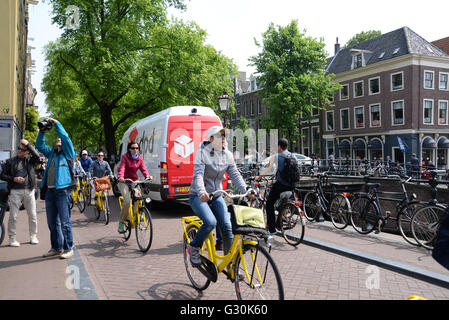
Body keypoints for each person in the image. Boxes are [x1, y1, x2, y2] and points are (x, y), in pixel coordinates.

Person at [188, 126, 253, 266]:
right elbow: (198, 175)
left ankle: (229, 265)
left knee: (227, 225)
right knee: (211, 222)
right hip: (198, 195)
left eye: (224, 135)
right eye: (219, 135)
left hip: (216, 194)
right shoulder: (202, 154)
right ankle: (193, 247)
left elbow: (234, 173)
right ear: (211, 139)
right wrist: (201, 192)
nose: (223, 138)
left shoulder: (227, 154)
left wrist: (246, 189)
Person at [36, 118, 76, 259]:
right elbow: (39, 145)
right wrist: (42, 131)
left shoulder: (68, 154)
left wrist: (57, 123)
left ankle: (68, 248)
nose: (59, 139)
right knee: (52, 223)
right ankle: (56, 247)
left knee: (65, 222)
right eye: (57, 139)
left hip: (62, 192)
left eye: (60, 139)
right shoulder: (51, 153)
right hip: (50, 192)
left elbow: (65, 137)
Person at [0, 139, 40, 247]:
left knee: (32, 215)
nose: (20, 151)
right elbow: (2, 175)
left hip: (29, 190)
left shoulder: (30, 161)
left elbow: (37, 156)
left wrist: (28, 144)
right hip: (15, 191)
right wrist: (14, 179)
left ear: (27, 151)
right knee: (13, 216)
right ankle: (12, 238)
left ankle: (33, 236)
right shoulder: (10, 161)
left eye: (23, 150)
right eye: (19, 149)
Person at [256, 138, 295, 234]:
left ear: (279, 146)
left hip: (281, 185)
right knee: (281, 203)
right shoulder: (293, 156)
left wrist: (259, 176)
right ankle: (280, 221)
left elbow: (268, 167)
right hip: (292, 185)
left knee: (269, 203)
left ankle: (272, 228)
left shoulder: (276, 156)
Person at [116, 141, 152, 234]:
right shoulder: (125, 157)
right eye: (133, 148)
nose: (135, 150)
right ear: (129, 149)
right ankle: (121, 222)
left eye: (137, 148)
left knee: (139, 198)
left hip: (134, 181)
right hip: (123, 181)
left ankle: (138, 214)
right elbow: (122, 167)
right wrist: (121, 177)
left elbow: (143, 168)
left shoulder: (140, 158)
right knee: (127, 201)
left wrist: (147, 176)